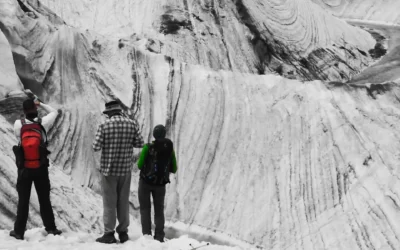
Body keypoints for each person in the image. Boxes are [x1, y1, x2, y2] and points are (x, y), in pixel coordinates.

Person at [10, 98, 62, 240]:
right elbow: (54, 112)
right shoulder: (42, 123)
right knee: (44, 199)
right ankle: (51, 228)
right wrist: (41, 104)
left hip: (24, 168)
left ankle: (19, 232)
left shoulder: (18, 124)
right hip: (41, 167)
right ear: (35, 109)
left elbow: (18, 139)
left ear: (24, 110)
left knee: (23, 200)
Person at [93, 100, 144, 244]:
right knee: (123, 201)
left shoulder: (104, 125)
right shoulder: (131, 124)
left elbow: (95, 146)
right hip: (125, 170)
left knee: (109, 203)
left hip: (109, 170)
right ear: (120, 111)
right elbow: (140, 143)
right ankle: (123, 233)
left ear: (109, 113)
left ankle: (109, 233)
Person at [137, 124, 178, 242]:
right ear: (164, 134)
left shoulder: (147, 147)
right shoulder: (169, 149)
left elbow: (140, 165)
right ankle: (159, 236)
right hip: (160, 185)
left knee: (145, 209)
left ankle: (147, 235)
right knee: (159, 210)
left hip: (145, 183)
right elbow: (174, 169)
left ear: (154, 135)